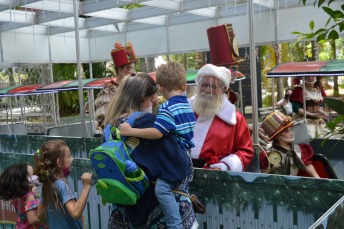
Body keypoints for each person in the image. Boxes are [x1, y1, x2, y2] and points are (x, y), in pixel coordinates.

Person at [104, 73, 197, 229]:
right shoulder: (146, 122)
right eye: (152, 99)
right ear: (142, 98)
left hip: (124, 205)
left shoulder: (110, 126)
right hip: (155, 210)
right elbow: (176, 162)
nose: (154, 103)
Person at [207, 23, 269, 145]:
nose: (236, 73)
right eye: (233, 69)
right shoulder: (210, 95)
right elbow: (219, 128)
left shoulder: (227, 93)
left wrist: (247, 130)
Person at [188, 64, 253, 171]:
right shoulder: (184, 111)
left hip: (217, 175)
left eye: (213, 86)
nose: (207, 90)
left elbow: (246, 151)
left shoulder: (235, 118)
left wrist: (225, 165)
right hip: (182, 174)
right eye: (204, 85)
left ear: (223, 90)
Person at [34, 140, 92, 229]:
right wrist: (86, 186)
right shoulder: (62, 184)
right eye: (69, 156)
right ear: (59, 163)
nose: (72, 159)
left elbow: (40, 214)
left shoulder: (47, 184)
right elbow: (75, 213)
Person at [259, 111, 320, 178]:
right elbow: (262, 173)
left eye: (290, 130)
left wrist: (318, 179)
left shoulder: (299, 149)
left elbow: (307, 165)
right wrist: (270, 169)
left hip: (293, 185)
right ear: (279, 136)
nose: (291, 133)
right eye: (287, 131)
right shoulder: (269, 153)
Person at [95, 42, 138, 130]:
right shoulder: (108, 91)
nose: (133, 72)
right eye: (129, 69)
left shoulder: (134, 86)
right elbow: (105, 121)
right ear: (120, 70)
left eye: (133, 69)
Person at [0, 163, 47, 229]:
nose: (36, 176)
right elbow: (33, 220)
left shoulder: (18, 195)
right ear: (24, 182)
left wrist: (31, 189)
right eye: (33, 174)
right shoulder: (30, 197)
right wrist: (50, 219)